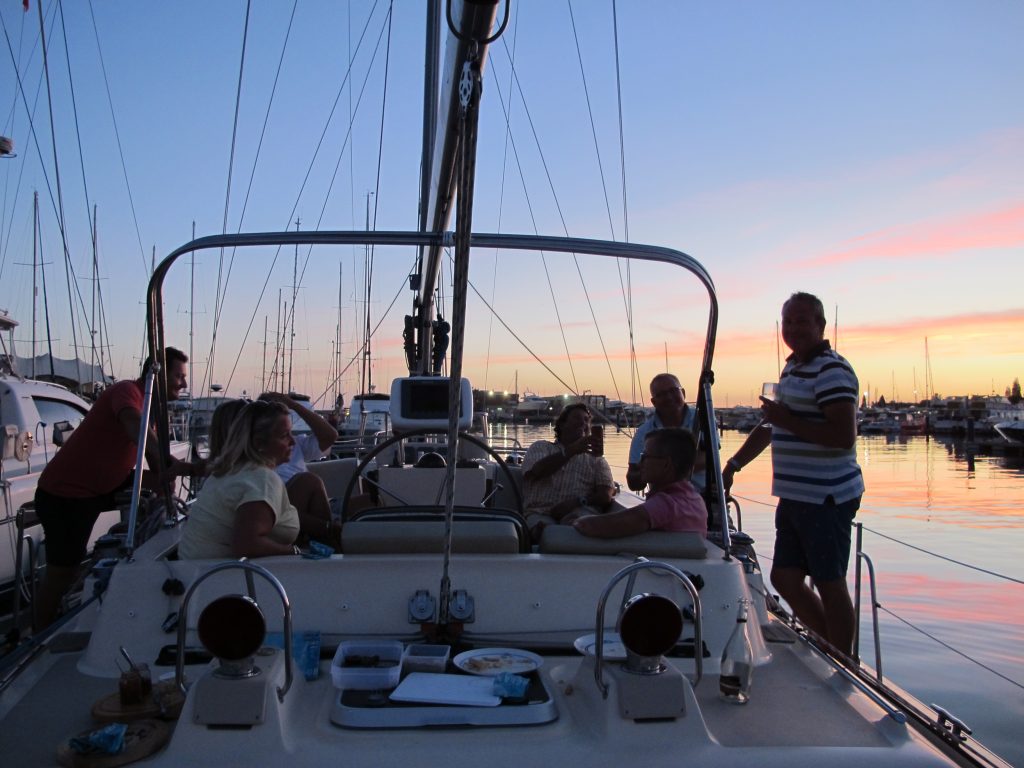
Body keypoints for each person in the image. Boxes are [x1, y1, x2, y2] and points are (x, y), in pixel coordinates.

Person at [722, 292, 863, 655]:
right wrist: (733, 465)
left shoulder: (833, 369)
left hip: (826, 497)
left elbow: (842, 435)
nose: (794, 328)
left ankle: (842, 659)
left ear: (820, 325)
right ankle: (831, 646)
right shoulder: (793, 368)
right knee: (783, 577)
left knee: (829, 582)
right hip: (795, 494)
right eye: (788, 321)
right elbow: (771, 427)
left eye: (802, 320)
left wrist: (789, 420)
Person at [34, 347, 190, 628]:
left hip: (100, 486)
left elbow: (155, 461)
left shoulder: (151, 407)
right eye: (178, 376)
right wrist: (172, 463)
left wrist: (165, 485)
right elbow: (135, 427)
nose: (184, 384)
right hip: (66, 494)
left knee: (157, 482)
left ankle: (152, 539)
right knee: (63, 571)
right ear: (158, 373)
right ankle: (38, 634)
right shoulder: (128, 392)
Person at [179, 399, 301, 559]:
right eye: (285, 436)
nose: (293, 441)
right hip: (219, 577)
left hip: (193, 571)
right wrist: (294, 551)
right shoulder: (262, 478)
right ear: (259, 443)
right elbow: (247, 545)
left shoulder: (230, 469)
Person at [575, 428, 706, 539]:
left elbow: (594, 526)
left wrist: (577, 521)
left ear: (666, 464)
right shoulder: (695, 499)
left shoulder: (666, 505)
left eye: (645, 456)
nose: (639, 463)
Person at [521, 402, 614, 541]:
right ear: (562, 424)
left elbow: (605, 495)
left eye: (586, 420)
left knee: (576, 530)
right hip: (541, 512)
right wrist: (571, 450)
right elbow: (537, 471)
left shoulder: (597, 460)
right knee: (544, 532)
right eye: (577, 418)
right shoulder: (541, 447)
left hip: (578, 512)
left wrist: (578, 502)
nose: (583, 423)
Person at [258, 392, 339, 546]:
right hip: (282, 505)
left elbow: (330, 436)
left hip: (310, 502)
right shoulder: (253, 460)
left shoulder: (297, 444)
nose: (290, 441)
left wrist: (294, 406)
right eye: (284, 434)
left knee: (369, 501)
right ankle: (329, 544)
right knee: (309, 482)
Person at [626, 374, 706, 492]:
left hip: (705, 497)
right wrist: (646, 472)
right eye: (661, 394)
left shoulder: (703, 419)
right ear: (654, 402)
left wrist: (659, 469)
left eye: (673, 391)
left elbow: (708, 457)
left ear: (683, 393)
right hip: (664, 501)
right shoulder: (643, 433)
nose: (669, 397)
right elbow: (633, 483)